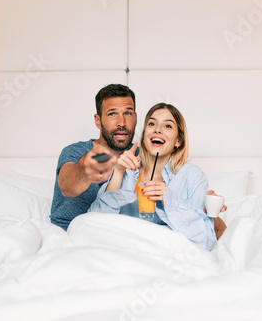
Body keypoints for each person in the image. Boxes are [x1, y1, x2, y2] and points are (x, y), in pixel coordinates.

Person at [88, 103, 220, 250]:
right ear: (145, 135)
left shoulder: (193, 176)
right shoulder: (126, 171)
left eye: (168, 126)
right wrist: (118, 173)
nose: (158, 129)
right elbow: (94, 226)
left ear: (178, 141)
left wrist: (168, 200)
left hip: (168, 256)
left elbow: (205, 240)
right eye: (152, 124)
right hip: (126, 252)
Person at [50, 84, 137, 230]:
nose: (122, 123)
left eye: (128, 113)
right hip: (70, 236)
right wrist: (85, 169)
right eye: (112, 114)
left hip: (119, 238)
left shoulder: (142, 156)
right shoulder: (76, 152)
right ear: (98, 121)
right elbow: (67, 186)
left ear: (135, 117)